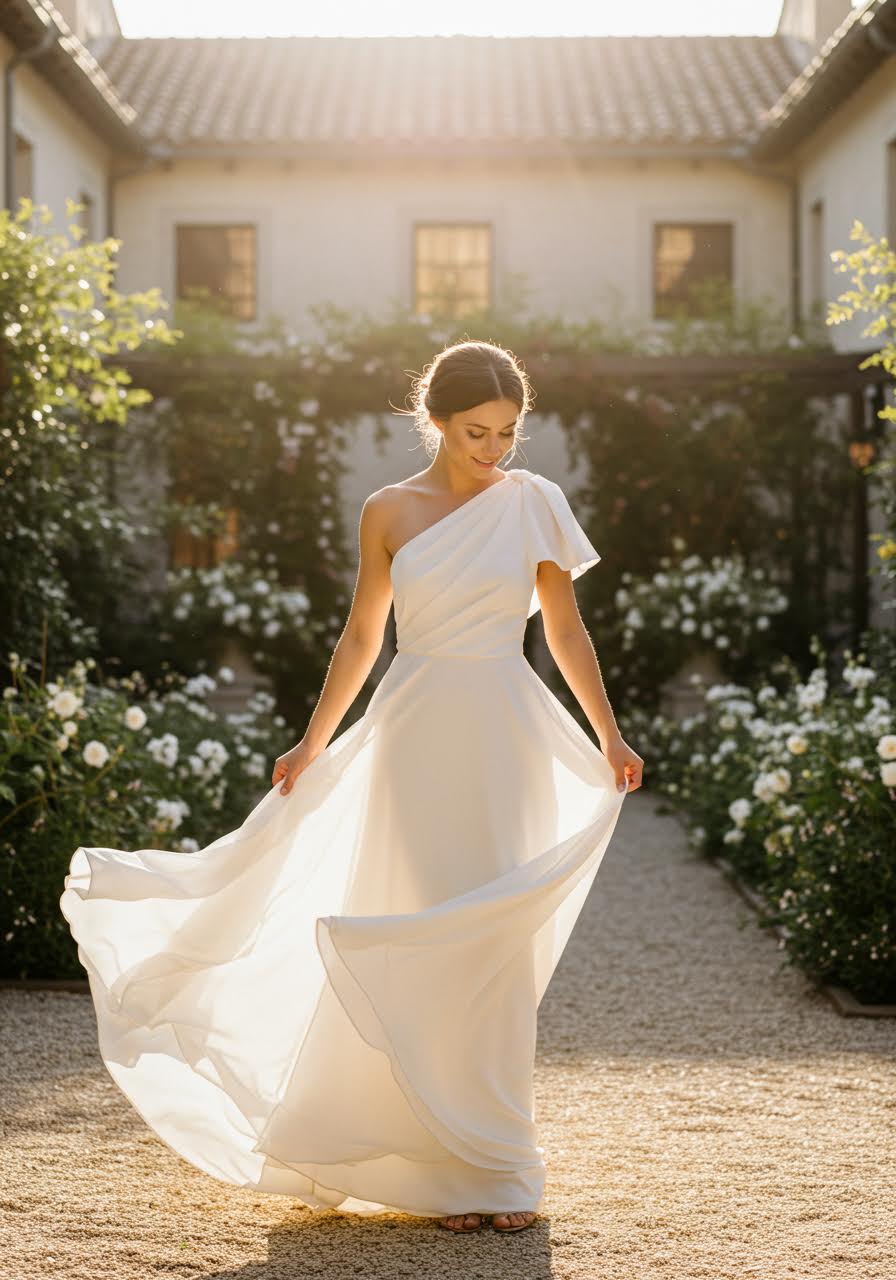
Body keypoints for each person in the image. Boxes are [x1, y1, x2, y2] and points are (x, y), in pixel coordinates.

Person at [60, 339, 644, 1238]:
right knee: (414, 922)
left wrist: (608, 733)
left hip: (504, 733)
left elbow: (564, 632)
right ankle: (434, 1170)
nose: (495, 449)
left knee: (492, 945)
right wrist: (312, 739)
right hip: (414, 734)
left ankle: (495, 1163)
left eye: (509, 433)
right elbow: (364, 636)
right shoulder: (387, 510)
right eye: (477, 431)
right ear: (437, 420)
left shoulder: (537, 505)